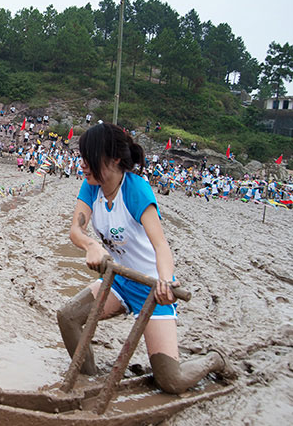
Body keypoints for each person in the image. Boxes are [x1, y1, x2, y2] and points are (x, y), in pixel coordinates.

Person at [56, 123, 234, 394]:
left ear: (114, 159)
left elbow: (161, 245)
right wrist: (91, 245)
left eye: (88, 157)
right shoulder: (92, 185)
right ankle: (87, 383)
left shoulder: (136, 190)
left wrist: (164, 282)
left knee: (170, 382)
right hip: (119, 281)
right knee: (68, 316)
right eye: (81, 157)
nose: (82, 165)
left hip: (151, 287)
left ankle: (213, 359)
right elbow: (76, 230)